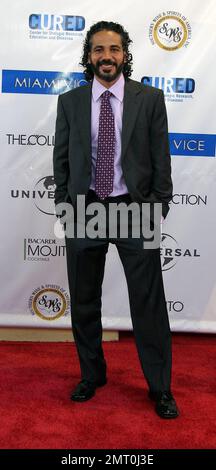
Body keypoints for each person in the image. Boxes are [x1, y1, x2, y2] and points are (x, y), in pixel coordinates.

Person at [53, 20, 179, 418]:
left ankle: (160, 387)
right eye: (98, 50)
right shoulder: (70, 102)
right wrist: (64, 204)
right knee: (85, 301)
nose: (106, 57)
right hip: (84, 209)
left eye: (113, 49)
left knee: (149, 304)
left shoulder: (150, 98)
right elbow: (61, 159)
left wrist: (158, 205)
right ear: (88, 57)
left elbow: (161, 157)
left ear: (125, 54)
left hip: (135, 209)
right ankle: (92, 375)